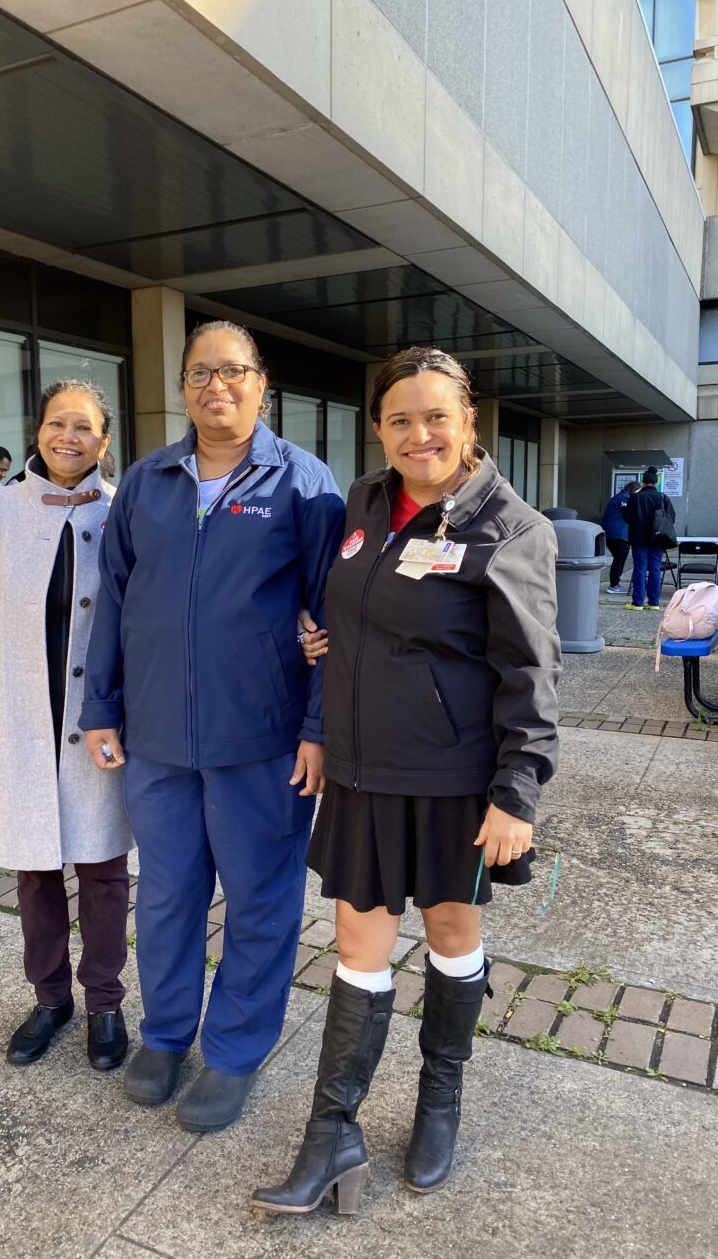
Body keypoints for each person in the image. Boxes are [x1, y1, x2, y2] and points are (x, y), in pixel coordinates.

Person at [251, 345, 560, 1215]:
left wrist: (517, 792)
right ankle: (332, 1134)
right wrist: (320, 655)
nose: (419, 435)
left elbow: (532, 674)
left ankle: (439, 1102)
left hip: (453, 779)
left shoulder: (511, 528)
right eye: (399, 420)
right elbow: (340, 608)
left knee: (452, 935)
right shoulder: (363, 503)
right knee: (358, 952)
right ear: (379, 429)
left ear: (468, 421)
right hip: (361, 773)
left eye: (435, 417)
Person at [80, 319, 345, 1132]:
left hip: (262, 738)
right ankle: (165, 1036)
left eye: (232, 371)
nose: (215, 386)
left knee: (261, 901)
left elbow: (333, 615)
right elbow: (114, 600)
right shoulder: (146, 482)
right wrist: (101, 706)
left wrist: (318, 726)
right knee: (166, 896)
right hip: (157, 737)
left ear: (262, 384)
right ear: (183, 388)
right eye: (199, 373)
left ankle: (233, 1051)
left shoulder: (304, 483)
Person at [0, 381, 133, 1071]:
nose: (69, 437)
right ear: (37, 432)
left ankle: (104, 1001)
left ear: (104, 441)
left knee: (104, 872)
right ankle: (50, 998)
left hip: (98, 726)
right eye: (56, 423)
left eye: (84, 427)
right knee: (35, 872)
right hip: (17, 720)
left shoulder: (124, 512)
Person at [623, 467, 676, 612]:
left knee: (640, 568)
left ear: (643, 483)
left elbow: (628, 518)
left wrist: (623, 509)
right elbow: (671, 517)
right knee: (655, 569)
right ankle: (654, 603)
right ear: (656, 483)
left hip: (639, 539)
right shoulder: (663, 497)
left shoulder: (635, 498)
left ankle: (638, 603)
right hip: (657, 538)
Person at [601, 481, 639, 594]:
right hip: (620, 534)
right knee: (619, 560)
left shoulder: (617, 497)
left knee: (617, 559)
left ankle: (614, 583)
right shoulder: (625, 499)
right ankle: (614, 585)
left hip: (610, 533)